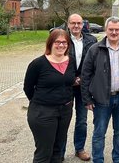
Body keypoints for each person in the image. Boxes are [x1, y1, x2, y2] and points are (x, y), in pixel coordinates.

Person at [81, 16, 119, 163]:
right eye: (111, 29)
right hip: (101, 100)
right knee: (99, 133)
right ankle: (98, 160)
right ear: (106, 30)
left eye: (117, 29)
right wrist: (87, 99)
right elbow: (85, 75)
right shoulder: (95, 50)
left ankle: (117, 159)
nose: (114, 32)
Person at [24, 29, 76, 162]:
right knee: (44, 152)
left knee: (58, 150)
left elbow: (70, 82)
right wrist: (41, 102)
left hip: (65, 111)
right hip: (43, 112)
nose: (61, 45)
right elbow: (28, 88)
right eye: (57, 42)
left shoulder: (71, 61)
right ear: (50, 43)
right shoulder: (38, 64)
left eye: (64, 42)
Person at [61, 14, 97, 161]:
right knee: (63, 120)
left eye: (79, 23)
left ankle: (79, 148)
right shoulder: (61, 39)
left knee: (81, 120)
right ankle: (59, 151)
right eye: (73, 23)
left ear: (83, 25)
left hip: (83, 86)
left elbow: (94, 63)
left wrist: (83, 78)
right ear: (68, 24)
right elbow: (56, 61)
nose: (76, 26)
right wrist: (71, 78)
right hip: (65, 86)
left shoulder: (91, 40)